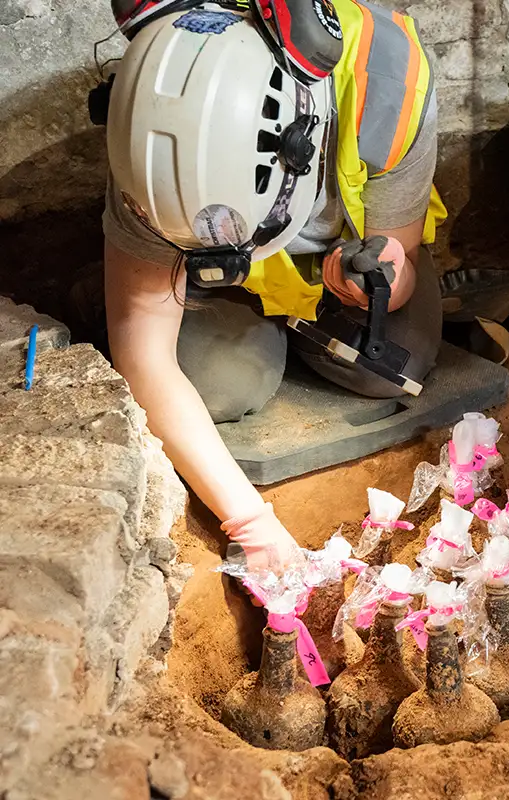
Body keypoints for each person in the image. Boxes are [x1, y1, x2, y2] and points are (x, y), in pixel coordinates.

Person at [102, 0, 444, 574]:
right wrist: (250, 524)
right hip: (222, 283)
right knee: (221, 388)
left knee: (389, 367)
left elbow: (398, 253)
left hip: (333, 266)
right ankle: (106, 291)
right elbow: (145, 353)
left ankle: (297, 328)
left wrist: (380, 282)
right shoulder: (151, 139)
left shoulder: (389, 82)